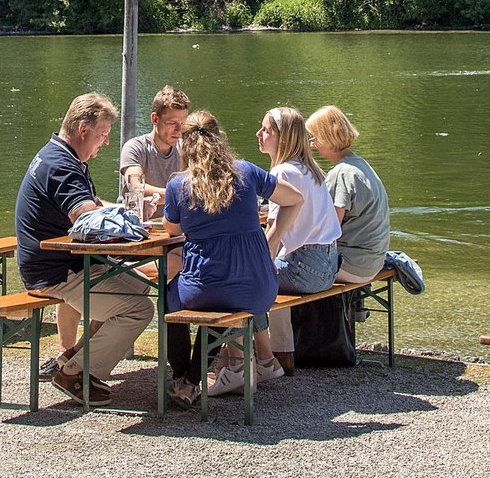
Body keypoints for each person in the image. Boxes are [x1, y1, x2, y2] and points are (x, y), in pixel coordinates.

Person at [15, 92, 157, 402]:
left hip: (63, 262)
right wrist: (129, 224)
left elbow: (90, 205)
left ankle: (72, 360)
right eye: (103, 135)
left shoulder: (61, 155)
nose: (105, 143)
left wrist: (129, 214)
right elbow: (85, 216)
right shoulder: (62, 166)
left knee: (138, 286)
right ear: (83, 130)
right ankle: (75, 375)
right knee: (138, 309)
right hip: (55, 269)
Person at [161, 111, 302, 404]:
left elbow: (173, 230)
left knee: (169, 299)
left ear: (185, 146)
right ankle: (190, 381)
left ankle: (181, 379)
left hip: (206, 288)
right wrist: (270, 240)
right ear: (219, 139)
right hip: (258, 288)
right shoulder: (246, 172)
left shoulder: (178, 185)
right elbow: (295, 199)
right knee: (221, 301)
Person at [251, 106, 341, 376]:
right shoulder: (308, 170)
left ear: (284, 137)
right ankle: (280, 355)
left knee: (243, 283)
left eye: (266, 130)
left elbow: (276, 233)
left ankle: (255, 361)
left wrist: (254, 266)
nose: (259, 133)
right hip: (327, 265)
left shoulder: (283, 174)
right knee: (260, 275)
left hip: (306, 268)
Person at [307, 106, 392, 287]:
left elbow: (328, 231)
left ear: (327, 137)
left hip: (354, 266)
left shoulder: (341, 174)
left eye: (314, 137)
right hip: (374, 261)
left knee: (278, 269)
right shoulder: (361, 165)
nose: (312, 144)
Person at [120, 85, 189, 213]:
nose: (179, 130)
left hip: (176, 227)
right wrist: (181, 193)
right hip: (142, 226)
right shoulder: (135, 148)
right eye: (172, 123)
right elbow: (135, 187)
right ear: (155, 119)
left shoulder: (185, 149)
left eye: (183, 123)